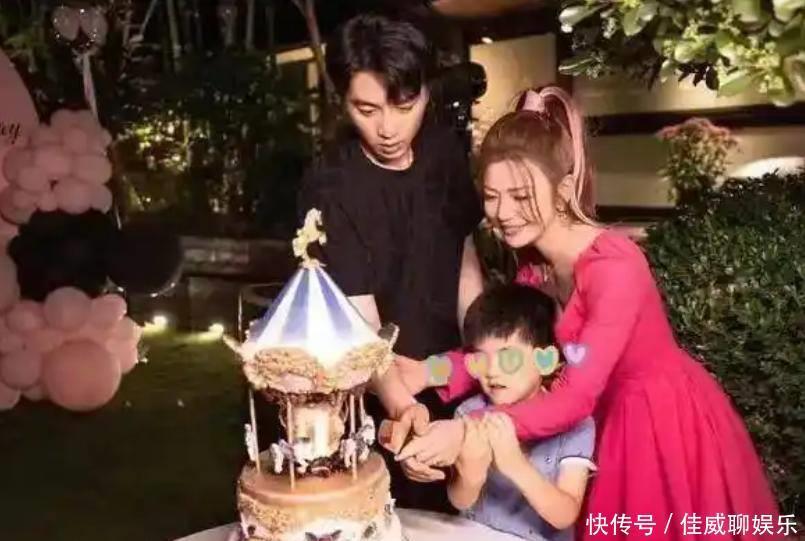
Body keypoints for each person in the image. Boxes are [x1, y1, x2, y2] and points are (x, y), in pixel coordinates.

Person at [388, 86, 782, 539]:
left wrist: (466, 431)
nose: (503, 212)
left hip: (656, 419)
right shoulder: (535, 270)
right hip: (596, 417)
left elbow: (574, 395)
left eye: (521, 195)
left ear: (563, 189)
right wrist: (426, 371)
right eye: (492, 196)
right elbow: (507, 352)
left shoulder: (615, 266)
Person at [296, 13, 485, 512]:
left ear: (425, 93)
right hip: (379, 393)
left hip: (451, 375)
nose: (387, 128)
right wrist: (404, 406)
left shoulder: (443, 152)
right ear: (342, 100)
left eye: (405, 106)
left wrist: (484, 360)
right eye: (367, 109)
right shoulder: (331, 188)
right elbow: (362, 326)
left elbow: (465, 262)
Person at [447, 283, 596, 541]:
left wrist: (515, 464)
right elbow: (459, 501)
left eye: (509, 359)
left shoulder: (577, 424)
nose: (492, 371)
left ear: (545, 361)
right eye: (480, 359)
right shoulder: (469, 413)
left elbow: (565, 514)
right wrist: (470, 475)